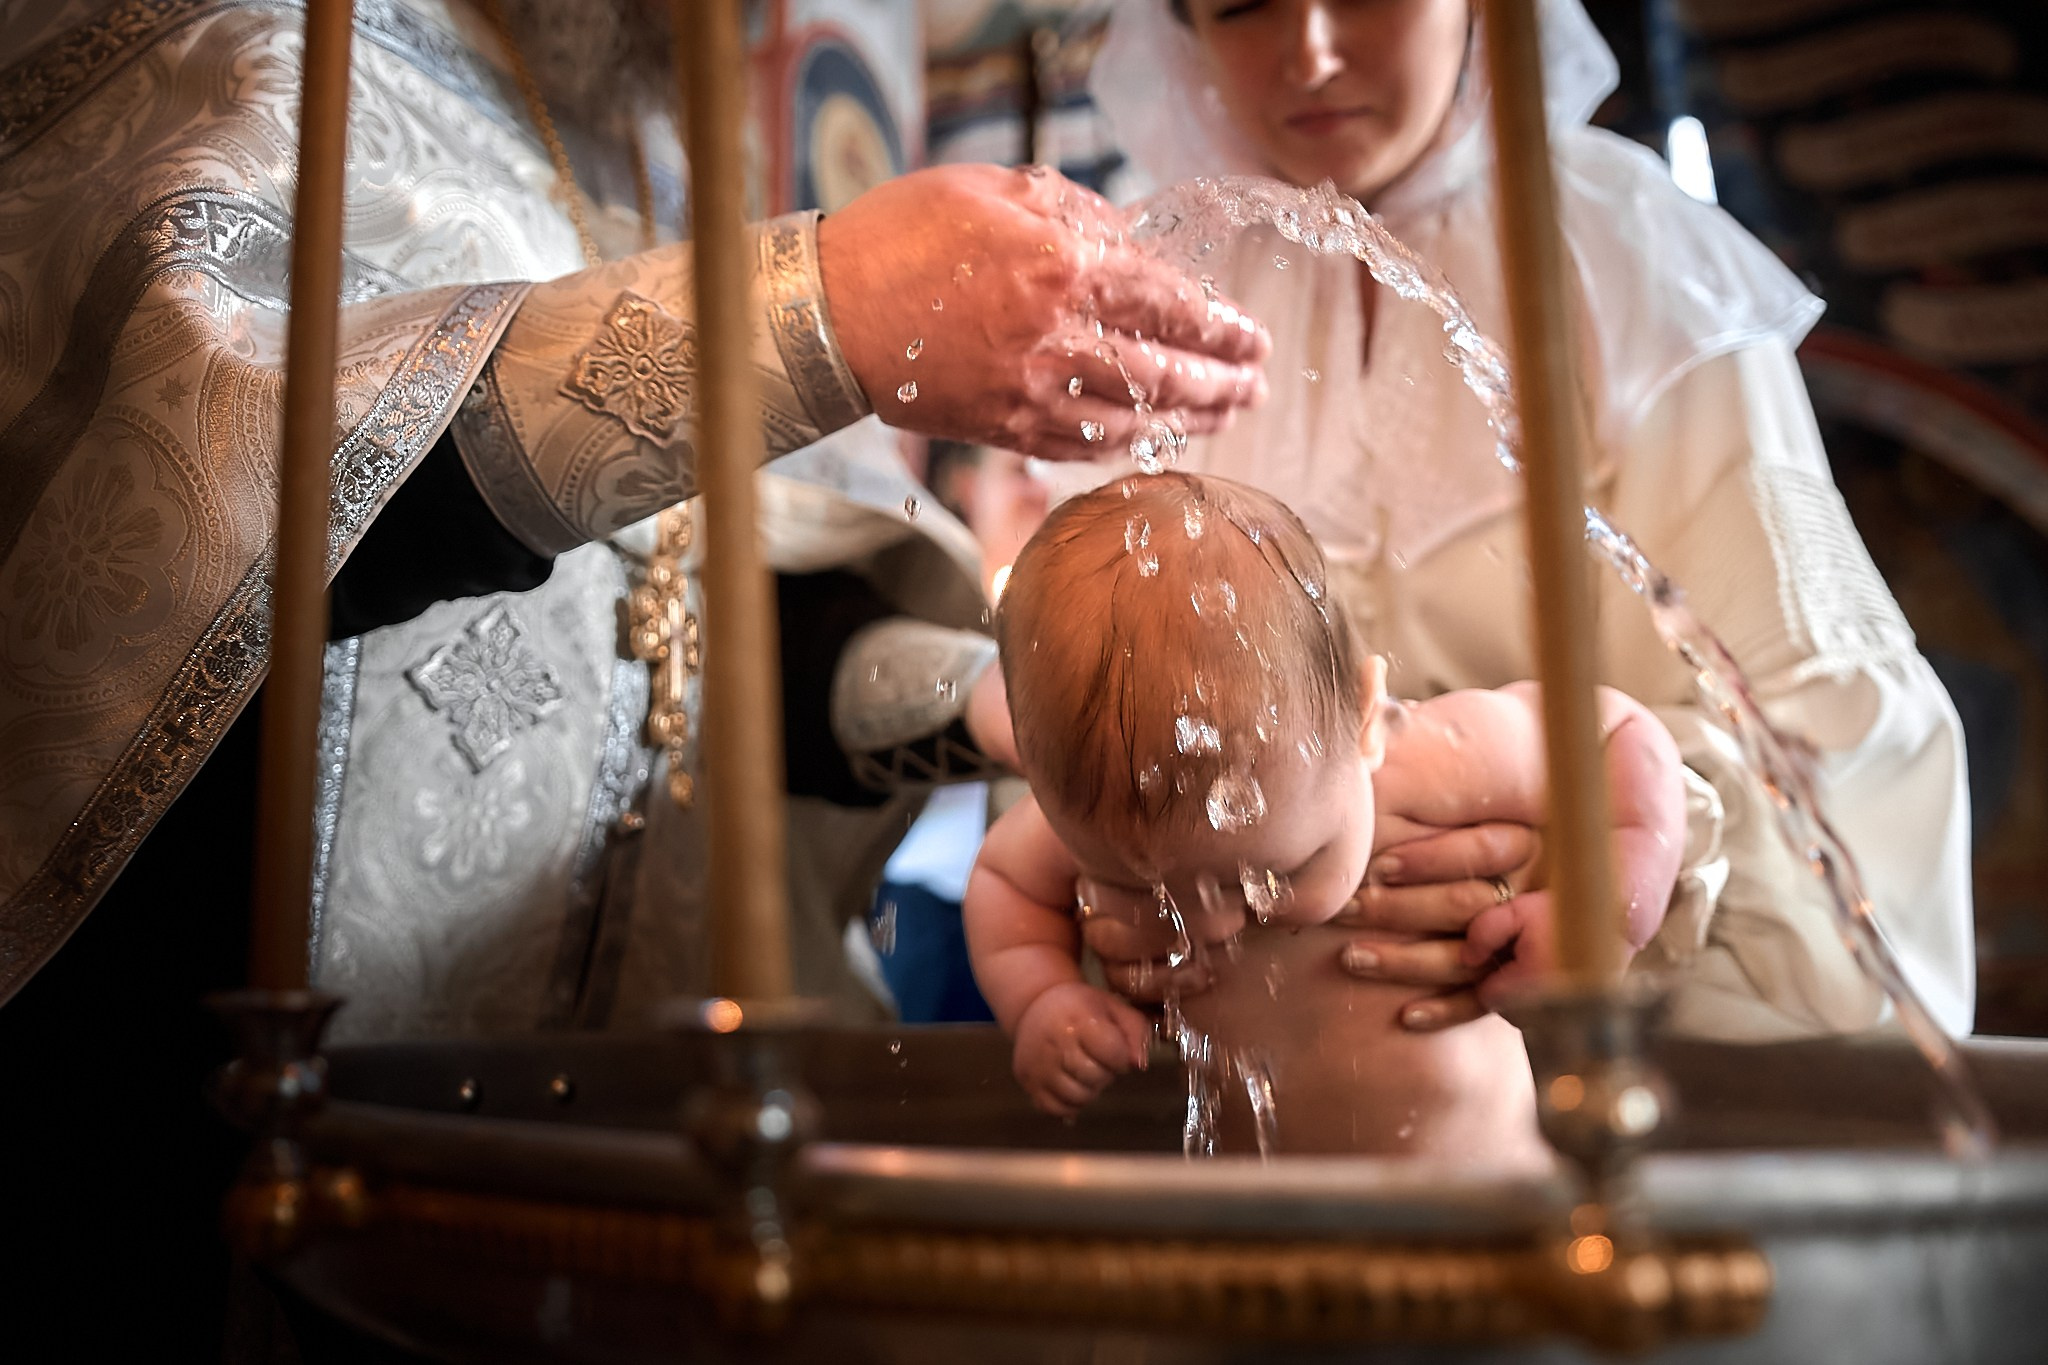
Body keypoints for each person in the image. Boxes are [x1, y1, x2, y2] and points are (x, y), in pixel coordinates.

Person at [0, 0, 1268, 1355]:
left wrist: (1002, 706)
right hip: (255, 1136)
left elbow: (696, 632)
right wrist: (819, 307)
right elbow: (201, 518)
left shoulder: (659, 149)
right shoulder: (248, 41)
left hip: (608, 1173)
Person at [1067, 0, 1975, 1043]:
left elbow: (1834, 752)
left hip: (1628, 1047)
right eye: (1240, 5)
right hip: (1265, 1060)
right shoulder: (1145, 292)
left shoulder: (1628, 264)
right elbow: (1074, 709)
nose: (1309, 53)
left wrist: (1582, 843)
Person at [964, 472, 1682, 1159]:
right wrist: (1044, 1000)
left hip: (1484, 1202)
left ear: (1365, 719)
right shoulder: (1107, 807)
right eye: (1146, 890)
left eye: (1275, 874)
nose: (1214, 923)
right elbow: (1007, 882)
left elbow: (1619, 735)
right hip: (1258, 1228)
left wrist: (1605, 913)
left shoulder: (1435, 761)